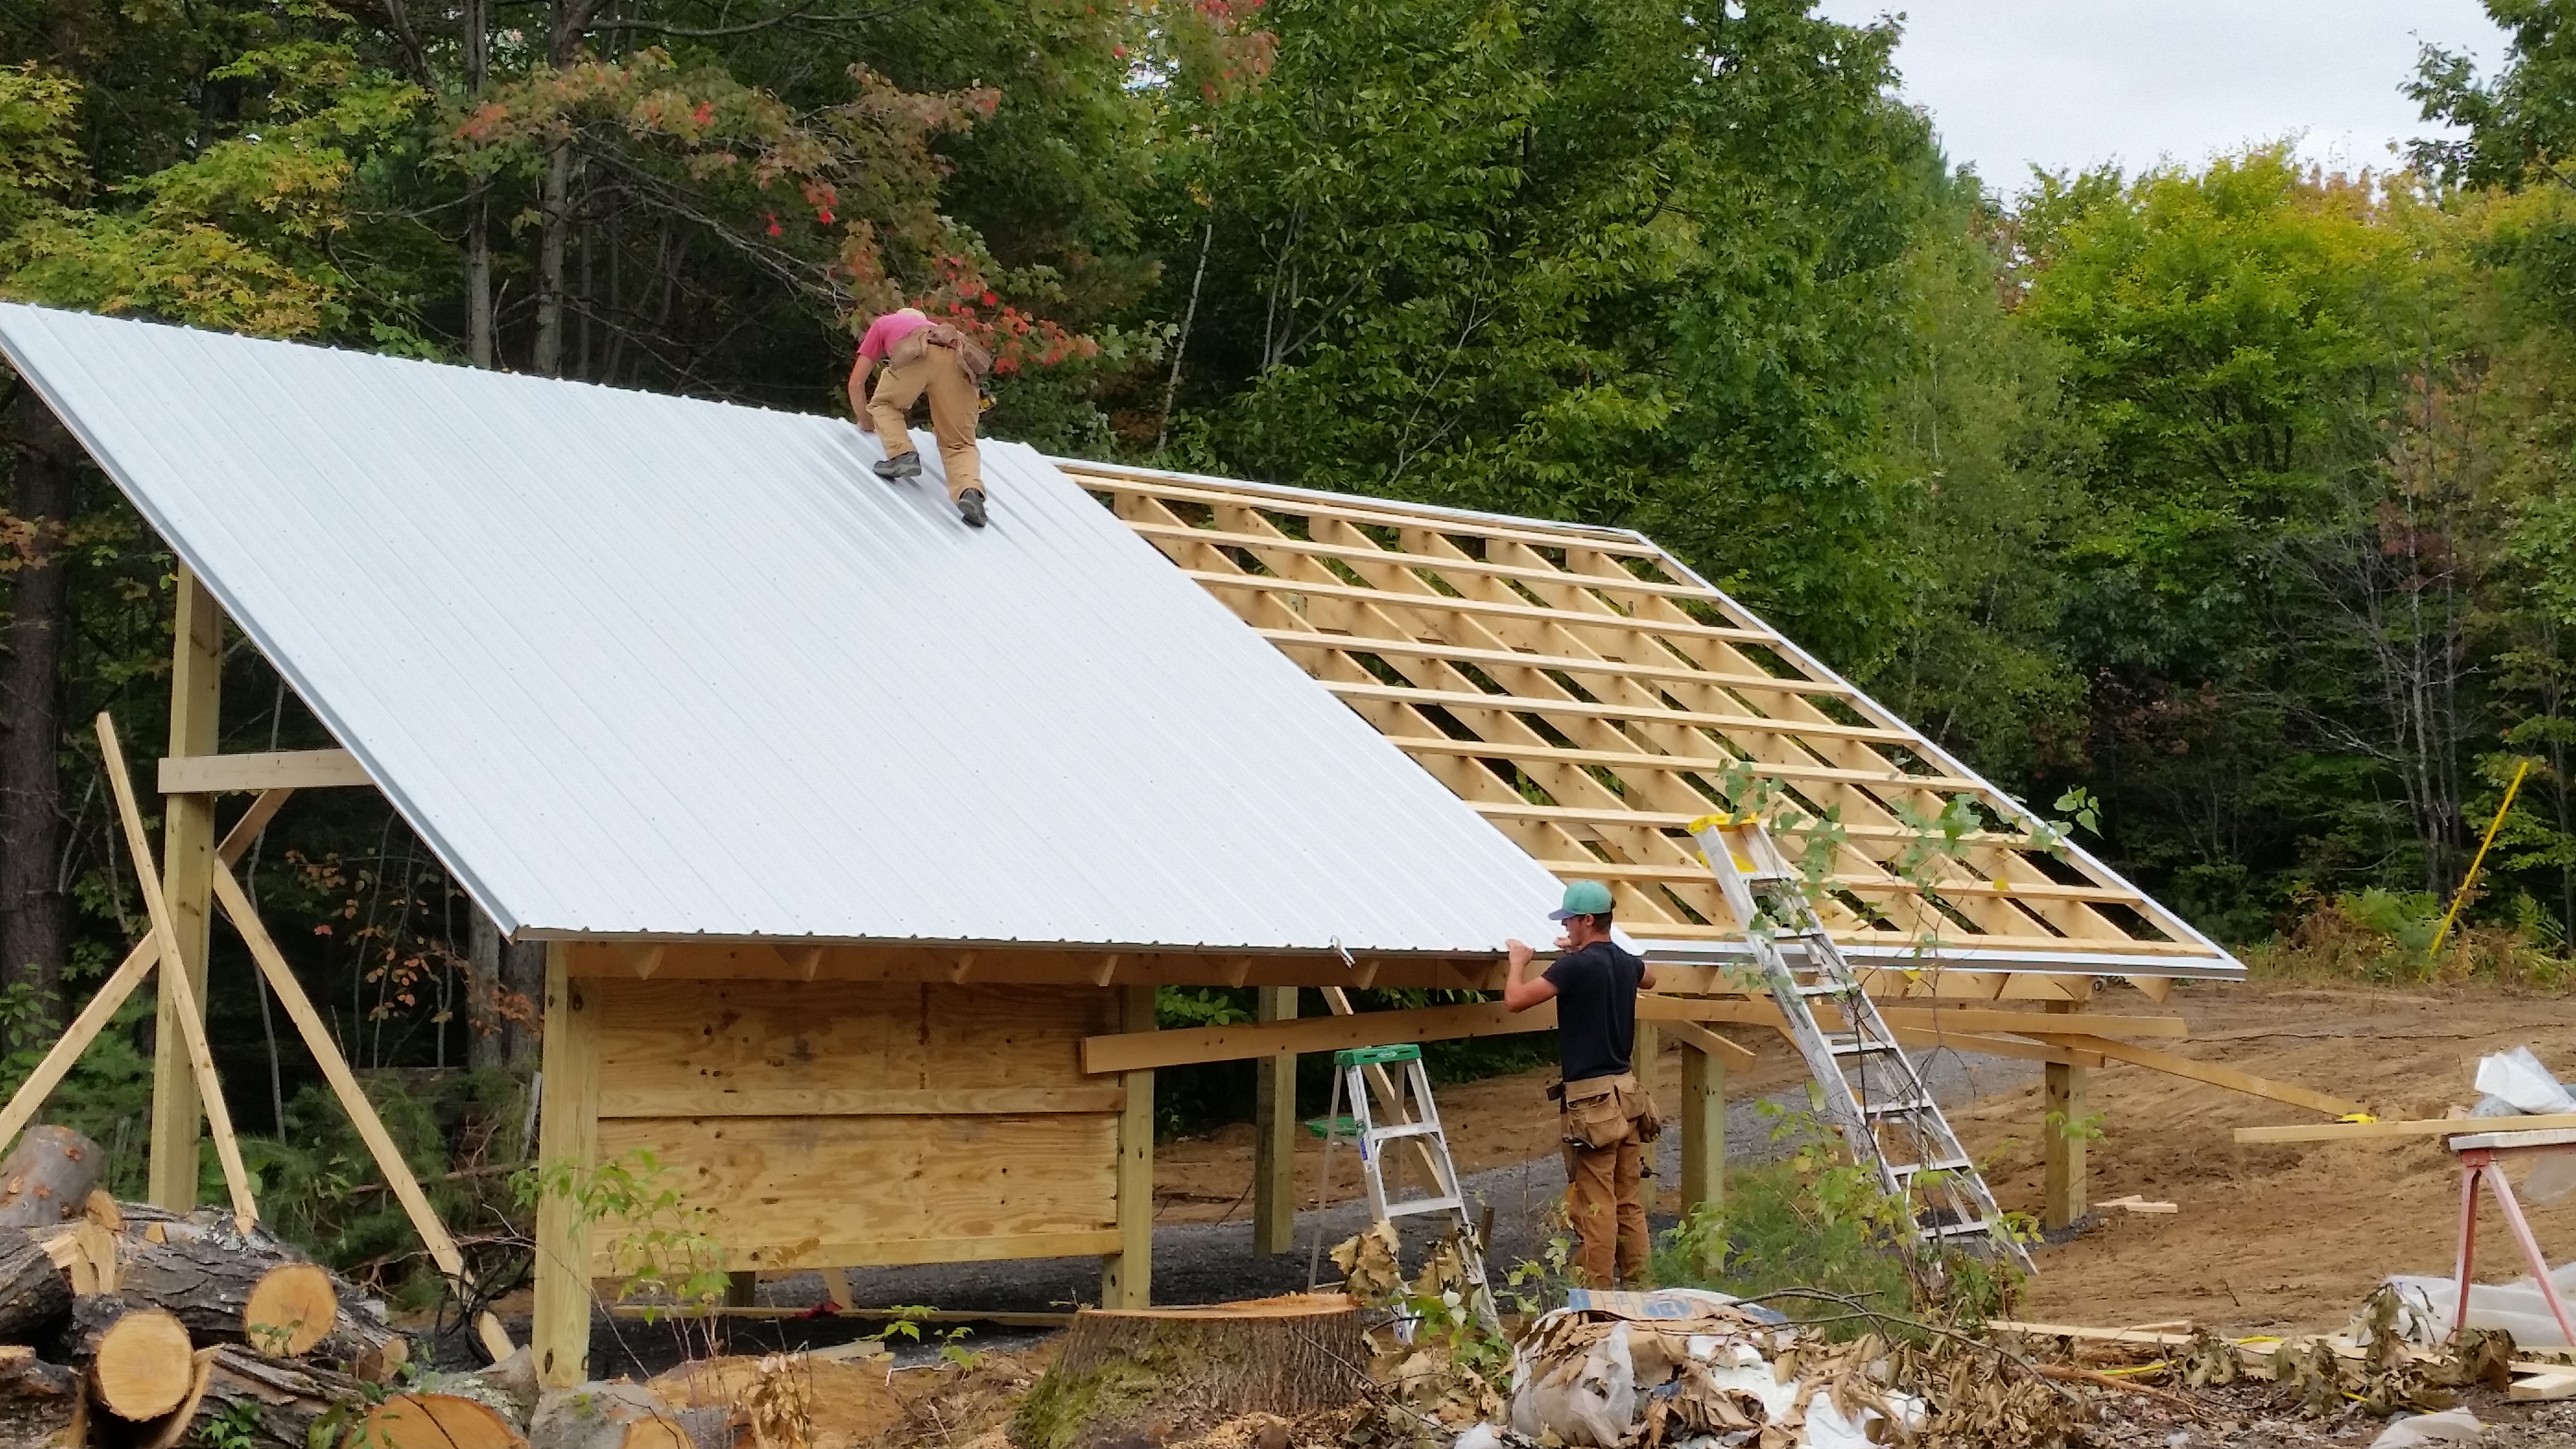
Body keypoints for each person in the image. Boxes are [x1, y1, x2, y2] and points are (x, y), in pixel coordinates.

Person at [1503, 880, 1658, 1288]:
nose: (1567, 927)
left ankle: (1598, 1298)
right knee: (1628, 1200)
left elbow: (1515, 1001)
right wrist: (1585, 951)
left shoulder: (1573, 968)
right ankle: (1642, 1288)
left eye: (1571, 921)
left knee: (1596, 1204)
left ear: (1588, 920)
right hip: (1627, 1096)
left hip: (1592, 1105)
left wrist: (1518, 961)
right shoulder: (1624, 963)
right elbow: (1652, 978)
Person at [849, 306, 993, 528]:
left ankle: (903, 454)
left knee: (883, 404)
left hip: (921, 352)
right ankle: (970, 491)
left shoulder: (885, 323)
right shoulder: (936, 330)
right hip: (959, 359)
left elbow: (856, 383)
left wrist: (867, 423)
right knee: (959, 443)